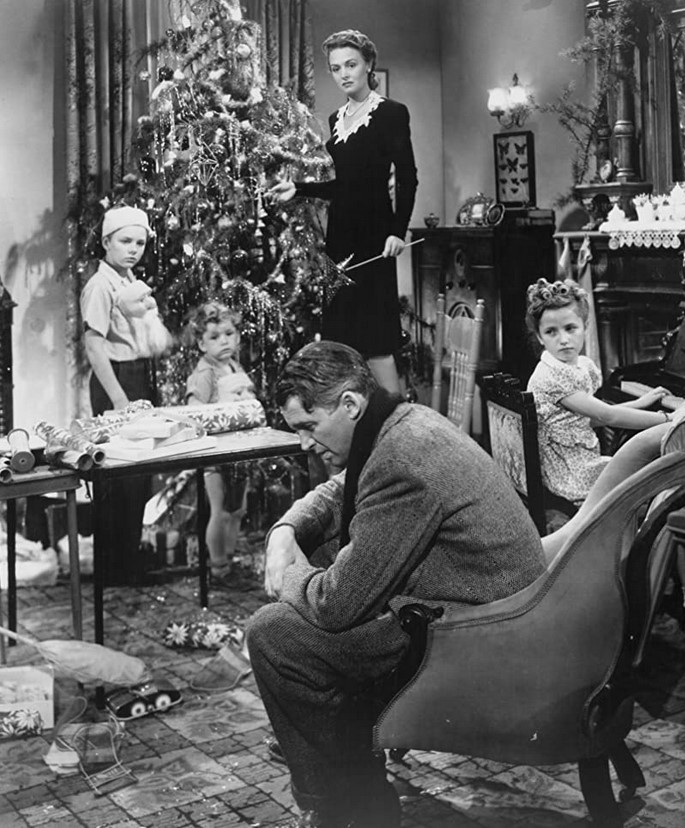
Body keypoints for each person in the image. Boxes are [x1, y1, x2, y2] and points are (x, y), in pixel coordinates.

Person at [246, 340, 546, 828]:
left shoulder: (402, 459)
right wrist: (285, 531)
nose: (303, 443)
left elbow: (335, 605)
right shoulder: (401, 423)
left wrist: (288, 575)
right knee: (314, 561)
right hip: (477, 605)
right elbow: (339, 490)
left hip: (480, 635)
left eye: (308, 426)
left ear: (349, 404)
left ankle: (343, 807)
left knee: (275, 636)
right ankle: (345, 762)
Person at [269, 29, 418, 395]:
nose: (344, 74)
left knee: (377, 340)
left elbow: (408, 178)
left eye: (351, 65)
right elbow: (343, 186)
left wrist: (397, 231)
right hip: (340, 240)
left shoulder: (391, 113)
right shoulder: (337, 118)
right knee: (343, 338)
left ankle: (396, 418)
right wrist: (299, 189)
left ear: (369, 64)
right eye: (336, 68)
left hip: (375, 238)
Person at [525, 277, 673, 504]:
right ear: (539, 337)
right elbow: (606, 416)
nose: (563, 339)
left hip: (577, 465)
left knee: (650, 469)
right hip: (570, 475)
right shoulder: (552, 376)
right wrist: (670, 419)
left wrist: (638, 403)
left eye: (570, 328)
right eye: (551, 332)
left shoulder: (576, 367)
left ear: (585, 327)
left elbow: (588, 419)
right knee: (653, 470)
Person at [80, 205, 161, 584]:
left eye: (139, 243)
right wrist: (118, 399)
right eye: (125, 241)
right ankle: (112, 568)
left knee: (137, 477)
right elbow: (94, 347)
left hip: (137, 376)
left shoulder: (129, 281)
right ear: (106, 241)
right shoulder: (100, 286)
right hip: (116, 381)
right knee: (118, 476)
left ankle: (127, 561)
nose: (133, 249)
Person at [184, 301, 257, 586]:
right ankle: (218, 567)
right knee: (220, 510)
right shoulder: (205, 373)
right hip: (217, 452)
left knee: (237, 509)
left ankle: (228, 558)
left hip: (240, 447)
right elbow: (193, 409)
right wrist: (218, 408)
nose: (224, 341)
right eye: (214, 337)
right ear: (202, 344)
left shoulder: (233, 366)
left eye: (229, 334)